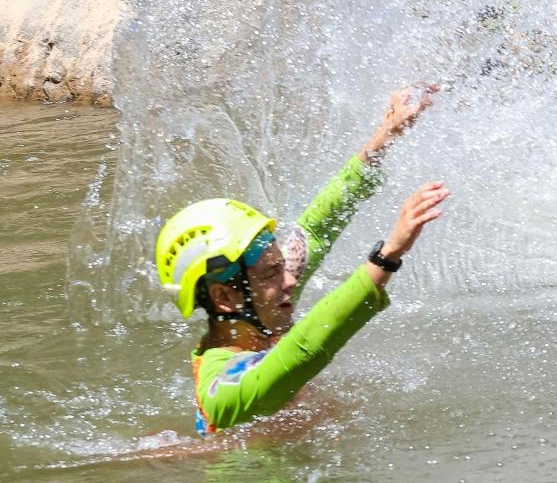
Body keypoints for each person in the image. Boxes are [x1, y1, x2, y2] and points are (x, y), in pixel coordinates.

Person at [153, 87, 450, 435]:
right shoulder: (221, 389)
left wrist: (385, 136)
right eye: (271, 274)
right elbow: (304, 349)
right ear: (225, 297)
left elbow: (317, 227)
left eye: (282, 266)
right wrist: (388, 255)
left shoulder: (260, 307)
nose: (290, 280)